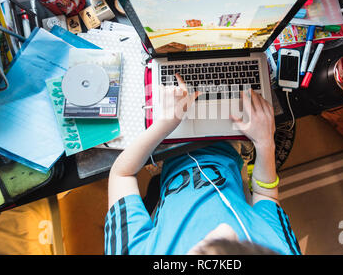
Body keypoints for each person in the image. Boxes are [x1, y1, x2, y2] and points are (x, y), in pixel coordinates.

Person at [105, 74, 301, 255]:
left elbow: (122, 174)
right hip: (231, 150)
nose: (226, 229)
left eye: (204, 249)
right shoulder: (278, 249)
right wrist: (265, 142)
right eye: (240, 244)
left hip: (164, 152)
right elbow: (264, 194)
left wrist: (164, 123)